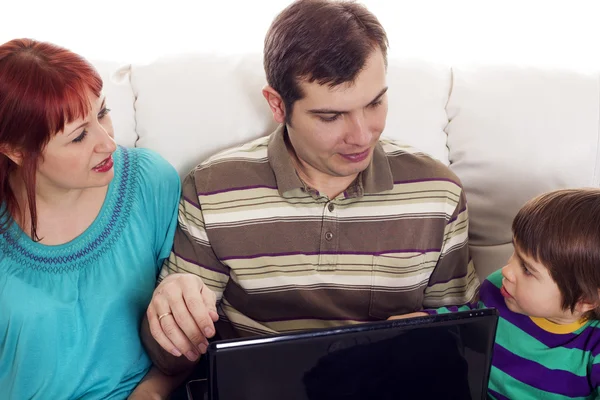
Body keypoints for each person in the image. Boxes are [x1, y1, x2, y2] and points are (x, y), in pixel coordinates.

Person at [142, 0, 479, 373]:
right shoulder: (211, 188)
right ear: (277, 105)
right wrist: (169, 318)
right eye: (331, 116)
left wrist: (431, 335)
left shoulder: (439, 193)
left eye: (375, 103)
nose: (362, 135)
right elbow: (173, 362)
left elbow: (465, 337)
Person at [0, 39, 184, 399]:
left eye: (102, 113)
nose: (108, 143)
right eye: (79, 136)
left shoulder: (151, 183)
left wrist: (151, 393)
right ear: (16, 151)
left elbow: (187, 332)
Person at [394, 189, 600, 399]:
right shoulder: (499, 291)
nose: (507, 270)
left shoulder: (594, 348)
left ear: (586, 299)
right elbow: (469, 321)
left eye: (527, 269)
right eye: (515, 253)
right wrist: (425, 324)